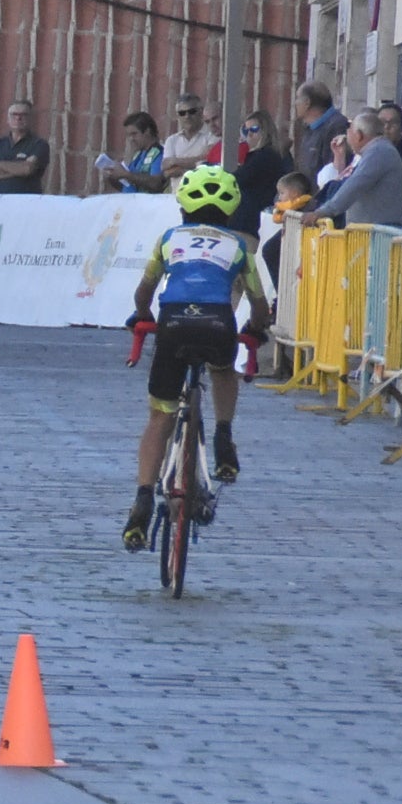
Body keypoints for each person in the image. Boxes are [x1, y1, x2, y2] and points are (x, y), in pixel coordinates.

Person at [121, 164, 272, 548]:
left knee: (161, 415)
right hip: (218, 323)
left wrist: (143, 317)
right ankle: (224, 436)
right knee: (223, 367)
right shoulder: (238, 245)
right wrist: (256, 329)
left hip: (173, 323)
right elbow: (258, 303)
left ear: (184, 206)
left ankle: (141, 498)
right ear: (229, 209)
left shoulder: (169, 238)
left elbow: (144, 291)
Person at [311, 109, 402, 228]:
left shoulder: (378, 151)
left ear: (359, 135)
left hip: (378, 235)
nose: (347, 137)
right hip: (374, 233)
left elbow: (354, 186)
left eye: (349, 131)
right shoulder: (378, 150)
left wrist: (322, 212)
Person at [230, 108, 290, 236]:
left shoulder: (265, 155)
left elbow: (237, 179)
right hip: (253, 218)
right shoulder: (263, 154)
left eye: (254, 129)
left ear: (265, 130)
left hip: (253, 219)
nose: (249, 134)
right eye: (246, 130)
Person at [0, 98, 50, 192]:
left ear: (31, 119)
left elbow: (27, 169)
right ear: (8, 119)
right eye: (14, 115)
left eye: (23, 115)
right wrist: (17, 171)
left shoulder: (39, 144)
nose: (18, 118)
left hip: (27, 202)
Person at [91, 110, 165, 194]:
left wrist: (125, 174)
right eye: (129, 135)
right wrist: (113, 177)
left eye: (134, 134)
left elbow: (156, 184)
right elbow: (128, 186)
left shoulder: (159, 154)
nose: (131, 139)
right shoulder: (138, 155)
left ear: (147, 131)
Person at [294, 80, 348, 190]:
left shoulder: (336, 126)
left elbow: (333, 172)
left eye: (297, 98)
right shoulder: (310, 128)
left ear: (307, 102)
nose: (295, 103)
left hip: (323, 201)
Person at [159, 94, 219, 182]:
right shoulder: (172, 140)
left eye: (192, 111)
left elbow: (209, 161)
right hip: (178, 194)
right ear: (178, 116)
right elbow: (166, 170)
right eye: (182, 113)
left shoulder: (213, 134)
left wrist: (174, 161)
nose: (187, 116)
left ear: (201, 112)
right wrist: (197, 163)